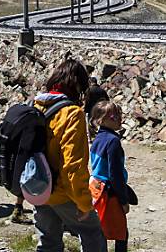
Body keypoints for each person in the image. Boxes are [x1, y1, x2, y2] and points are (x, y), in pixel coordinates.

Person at [33, 60, 106, 252]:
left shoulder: (37, 105)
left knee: (48, 242)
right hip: (62, 192)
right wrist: (84, 203)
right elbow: (72, 166)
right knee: (92, 232)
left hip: (38, 189)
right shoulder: (72, 114)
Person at [88, 101, 130, 252]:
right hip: (110, 192)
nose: (118, 118)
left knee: (101, 231)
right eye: (113, 116)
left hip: (96, 188)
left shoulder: (97, 139)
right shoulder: (113, 141)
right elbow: (115, 173)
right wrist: (123, 200)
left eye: (119, 114)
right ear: (100, 120)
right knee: (121, 234)